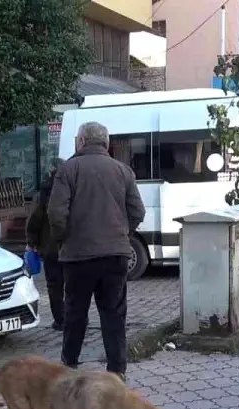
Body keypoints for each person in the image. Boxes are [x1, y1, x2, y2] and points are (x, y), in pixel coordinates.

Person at [47, 121, 145, 380]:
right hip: (116, 256)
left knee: (75, 313)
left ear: (80, 142)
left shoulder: (68, 170)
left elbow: (56, 213)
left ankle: (69, 367)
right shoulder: (123, 171)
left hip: (78, 257)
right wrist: (122, 233)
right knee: (114, 314)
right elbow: (138, 211)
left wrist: (64, 239)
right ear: (107, 143)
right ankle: (117, 371)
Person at [25, 161, 65, 330]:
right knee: (73, 286)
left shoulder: (44, 194)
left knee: (54, 286)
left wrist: (32, 242)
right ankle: (76, 318)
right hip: (72, 248)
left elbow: (34, 220)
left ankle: (60, 320)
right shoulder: (73, 191)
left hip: (50, 249)